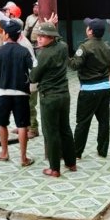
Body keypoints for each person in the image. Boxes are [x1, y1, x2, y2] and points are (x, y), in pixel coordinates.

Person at [31, 21, 78, 177]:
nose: (39, 39)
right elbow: (61, 41)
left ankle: (54, 168)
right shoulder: (63, 47)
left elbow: (33, 77)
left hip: (49, 97)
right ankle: (71, 163)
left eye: (43, 37)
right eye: (39, 36)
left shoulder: (43, 54)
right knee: (65, 128)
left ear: (51, 38)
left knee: (51, 132)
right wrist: (50, 26)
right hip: (64, 95)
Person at [0, 20, 35, 167]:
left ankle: (4, 152)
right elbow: (33, 70)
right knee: (22, 125)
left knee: (2, 123)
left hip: (3, 92)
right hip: (21, 93)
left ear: (6, 34)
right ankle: (23, 158)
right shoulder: (24, 51)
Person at [69, 18, 110, 158]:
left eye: (87, 27)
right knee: (104, 121)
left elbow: (75, 65)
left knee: (83, 122)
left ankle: (76, 152)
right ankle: (103, 150)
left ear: (91, 31)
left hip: (89, 89)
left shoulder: (85, 47)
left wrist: (66, 57)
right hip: (105, 87)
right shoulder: (107, 47)